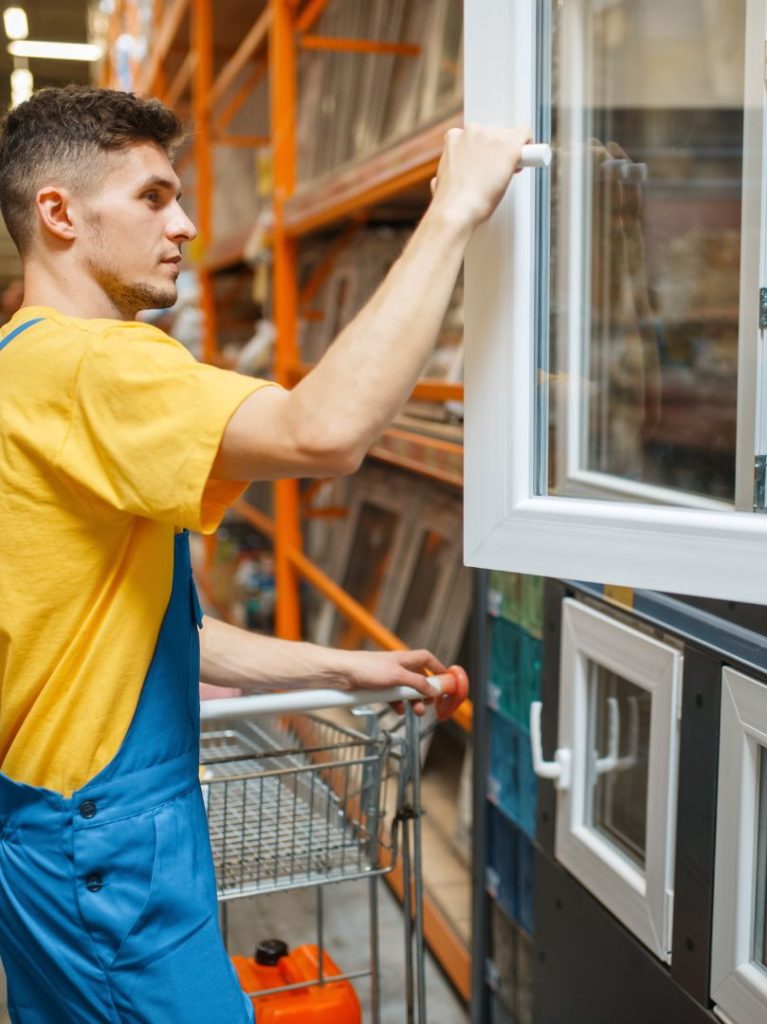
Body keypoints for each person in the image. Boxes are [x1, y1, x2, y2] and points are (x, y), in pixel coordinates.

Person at [0, 85, 528, 1023]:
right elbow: (323, 431)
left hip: (49, 829)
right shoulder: (98, 364)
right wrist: (455, 211)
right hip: (105, 848)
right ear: (59, 214)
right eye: (155, 198)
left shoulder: (22, 365)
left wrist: (344, 665)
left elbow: (131, 638)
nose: (188, 225)